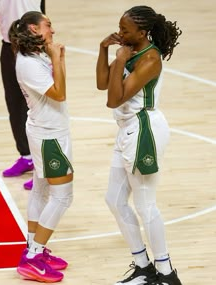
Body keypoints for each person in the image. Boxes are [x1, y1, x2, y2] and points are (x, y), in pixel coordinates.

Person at [96, 5, 182, 285]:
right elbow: (102, 84)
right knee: (115, 199)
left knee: (146, 206)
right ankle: (143, 267)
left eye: (125, 30)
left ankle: (166, 273)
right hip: (127, 130)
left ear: (142, 32)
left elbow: (113, 99)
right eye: (119, 28)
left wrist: (120, 60)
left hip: (145, 131)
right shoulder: (129, 50)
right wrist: (103, 49)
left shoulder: (150, 59)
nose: (120, 33)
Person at [8, 11, 74, 282]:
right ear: (34, 28)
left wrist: (58, 58)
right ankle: (33, 257)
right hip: (49, 135)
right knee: (62, 197)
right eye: (48, 25)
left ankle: (35, 248)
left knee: (41, 189)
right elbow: (59, 93)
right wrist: (57, 57)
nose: (53, 30)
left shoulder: (37, 54)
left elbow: (60, 84)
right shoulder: (29, 64)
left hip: (46, 129)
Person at [0, 0, 46, 190]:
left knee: (36, 107)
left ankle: (42, 167)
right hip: (8, 45)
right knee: (14, 104)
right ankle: (26, 156)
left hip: (31, 46)